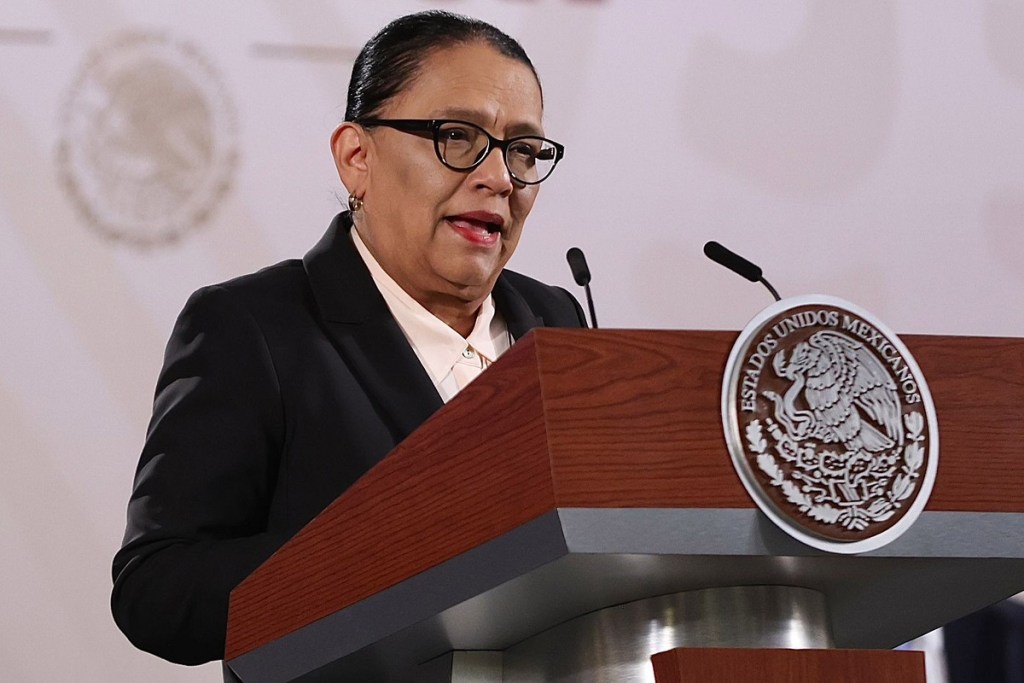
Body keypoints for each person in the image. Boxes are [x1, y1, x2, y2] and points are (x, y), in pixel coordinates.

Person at [110, 9, 585, 671]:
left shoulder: (558, 321)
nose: (501, 177)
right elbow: (157, 591)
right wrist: (379, 549)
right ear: (357, 158)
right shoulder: (255, 329)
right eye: (458, 136)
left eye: (525, 150)